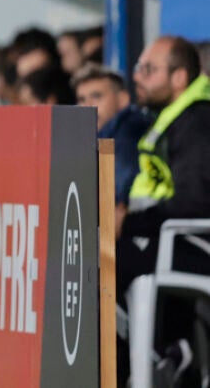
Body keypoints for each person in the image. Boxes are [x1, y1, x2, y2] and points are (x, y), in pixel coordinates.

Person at [118, 36, 210, 384]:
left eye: (148, 69)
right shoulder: (173, 117)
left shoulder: (197, 122)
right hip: (172, 237)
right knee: (98, 254)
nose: (136, 76)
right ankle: (169, 351)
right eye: (138, 67)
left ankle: (154, 360)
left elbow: (195, 202)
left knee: (105, 259)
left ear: (179, 78)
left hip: (196, 243)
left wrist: (130, 222)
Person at [71, 64, 151, 207]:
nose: (87, 106)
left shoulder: (129, 131)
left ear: (123, 99)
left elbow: (116, 198)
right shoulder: (90, 138)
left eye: (96, 96)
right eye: (82, 99)